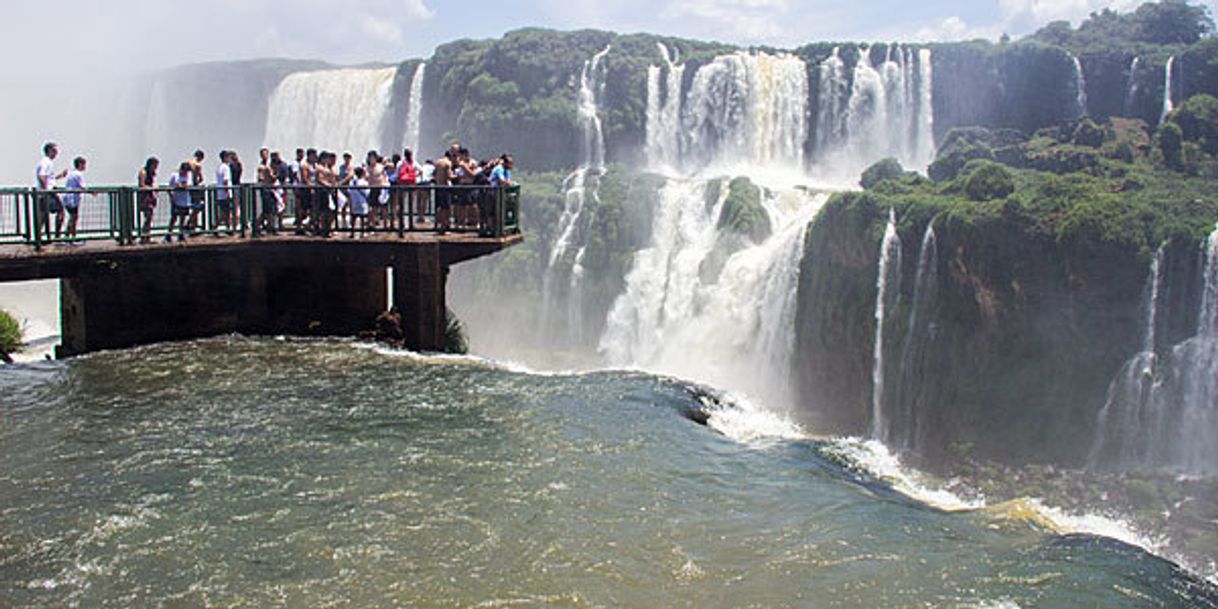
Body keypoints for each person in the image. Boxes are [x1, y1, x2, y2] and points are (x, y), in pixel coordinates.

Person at [35, 142, 68, 240]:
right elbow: (42, 176)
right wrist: (46, 191)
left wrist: (60, 176)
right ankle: (57, 236)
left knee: (43, 215)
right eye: (55, 151)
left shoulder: (46, 162)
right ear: (49, 151)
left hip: (45, 192)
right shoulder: (46, 162)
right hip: (48, 192)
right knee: (60, 211)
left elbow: (49, 178)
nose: (56, 153)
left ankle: (38, 236)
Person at [166, 162, 193, 242]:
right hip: (176, 199)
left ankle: (181, 234)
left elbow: (189, 185)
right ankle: (169, 234)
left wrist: (182, 186)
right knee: (174, 218)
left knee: (183, 218)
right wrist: (171, 198)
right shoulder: (175, 176)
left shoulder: (188, 176)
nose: (186, 173)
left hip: (185, 200)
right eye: (184, 171)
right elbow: (169, 187)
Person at [62, 157, 87, 243]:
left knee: (72, 217)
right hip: (72, 199)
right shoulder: (78, 174)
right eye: (84, 164)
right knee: (73, 217)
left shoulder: (72, 173)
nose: (85, 166)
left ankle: (69, 236)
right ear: (80, 164)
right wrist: (92, 192)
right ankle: (71, 237)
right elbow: (82, 187)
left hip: (68, 198)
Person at [137, 157, 159, 243]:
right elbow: (141, 185)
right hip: (144, 197)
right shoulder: (143, 172)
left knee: (150, 216)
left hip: (150, 196)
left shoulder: (151, 173)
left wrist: (155, 188)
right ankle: (144, 236)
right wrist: (151, 188)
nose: (156, 168)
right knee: (148, 216)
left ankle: (147, 236)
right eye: (155, 165)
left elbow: (152, 182)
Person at [432, 150, 453, 234]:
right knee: (446, 208)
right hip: (445, 187)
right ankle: (443, 227)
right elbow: (448, 176)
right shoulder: (448, 163)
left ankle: (436, 225)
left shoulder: (438, 162)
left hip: (438, 186)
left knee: (439, 207)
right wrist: (456, 176)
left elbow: (434, 174)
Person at [215, 150, 235, 235]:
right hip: (225, 193)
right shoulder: (226, 168)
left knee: (225, 211)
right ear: (225, 158)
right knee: (226, 212)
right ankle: (216, 227)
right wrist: (228, 192)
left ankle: (228, 227)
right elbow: (226, 180)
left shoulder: (219, 167)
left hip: (220, 193)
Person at [398, 148, 419, 225]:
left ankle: (402, 222)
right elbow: (420, 171)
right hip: (411, 185)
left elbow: (397, 174)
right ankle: (411, 223)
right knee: (411, 204)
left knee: (401, 204)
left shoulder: (400, 163)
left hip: (402, 185)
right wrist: (415, 176)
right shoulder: (414, 163)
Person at [348, 167, 370, 237]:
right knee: (362, 218)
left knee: (353, 217)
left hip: (354, 201)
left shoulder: (352, 182)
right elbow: (367, 193)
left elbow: (349, 192)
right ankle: (362, 233)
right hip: (362, 202)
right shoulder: (364, 182)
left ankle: (352, 232)